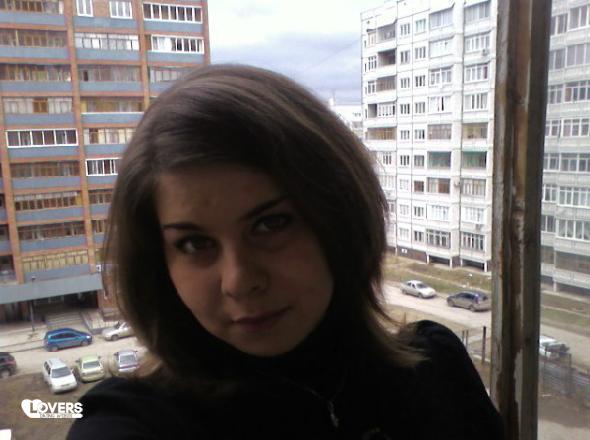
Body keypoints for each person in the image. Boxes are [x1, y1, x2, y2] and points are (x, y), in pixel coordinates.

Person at [68, 64, 504, 440]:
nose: (239, 281)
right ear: (159, 264)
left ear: (339, 219)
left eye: (270, 224)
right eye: (195, 244)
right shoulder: (135, 421)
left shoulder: (434, 370)